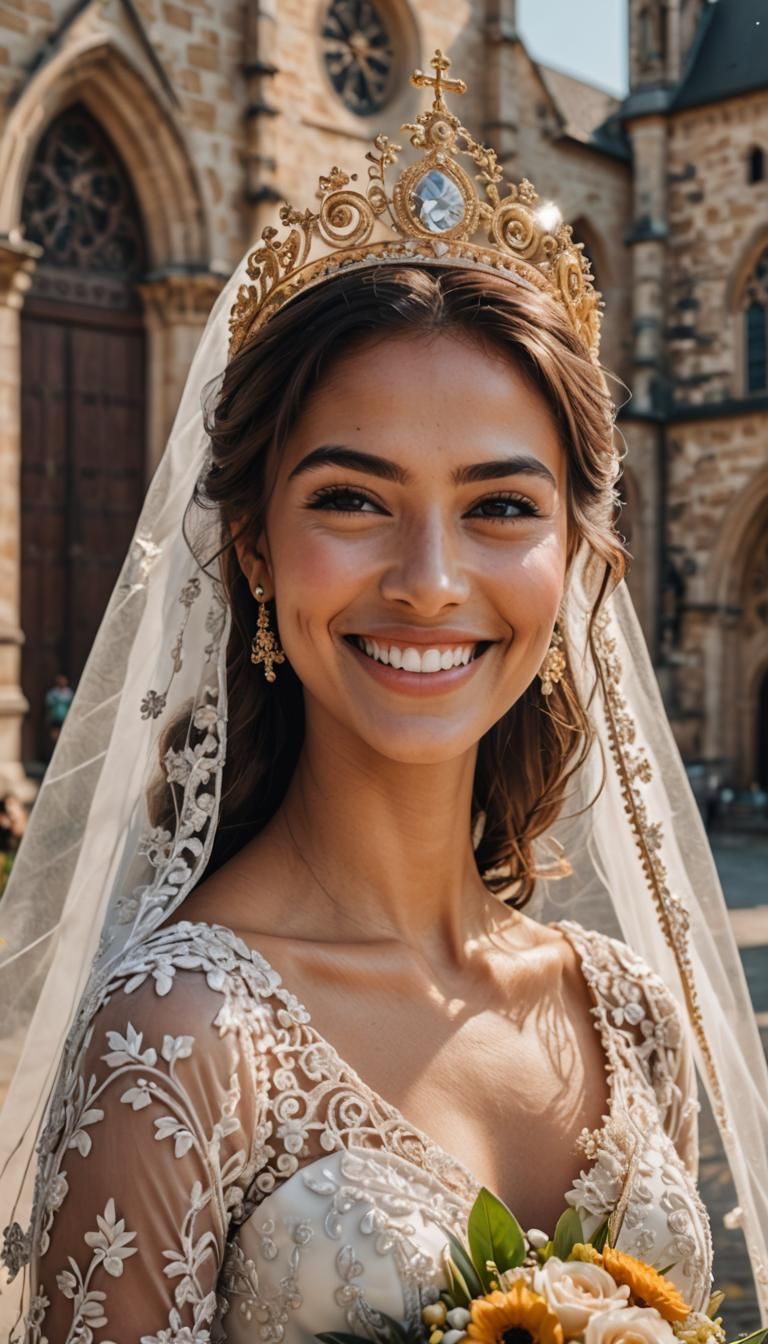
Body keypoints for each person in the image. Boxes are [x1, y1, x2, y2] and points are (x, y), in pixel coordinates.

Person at [1, 51, 767, 1343]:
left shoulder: (631, 1011)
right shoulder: (176, 1044)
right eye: (353, 499)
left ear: (576, 554)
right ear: (253, 545)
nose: (428, 581)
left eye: (501, 508)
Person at [43, 672, 73, 758]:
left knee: (64, 738)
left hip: (65, 718)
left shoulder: (68, 693)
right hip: (55, 718)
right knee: (54, 737)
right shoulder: (53, 693)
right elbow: (49, 706)